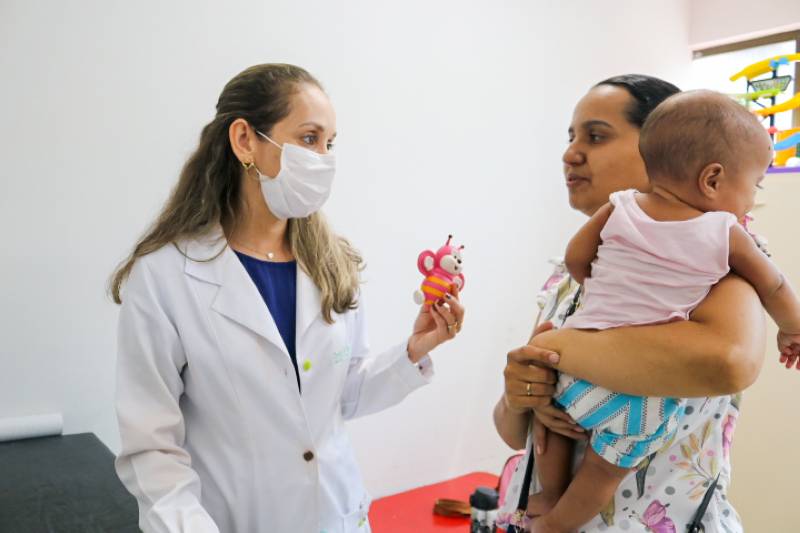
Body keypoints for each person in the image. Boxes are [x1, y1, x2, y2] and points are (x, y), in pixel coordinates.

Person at [109, 63, 465, 533]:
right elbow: (152, 449)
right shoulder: (166, 277)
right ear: (244, 141)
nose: (324, 158)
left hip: (336, 516)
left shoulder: (331, 264)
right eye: (309, 138)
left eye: (330, 143)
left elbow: (342, 397)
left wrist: (414, 349)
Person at [494, 75, 767, 533]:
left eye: (596, 136)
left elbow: (730, 362)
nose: (570, 153)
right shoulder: (568, 274)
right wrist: (521, 393)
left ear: (663, 147)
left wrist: (558, 348)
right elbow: (512, 434)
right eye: (571, 136)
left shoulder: (721, 253)